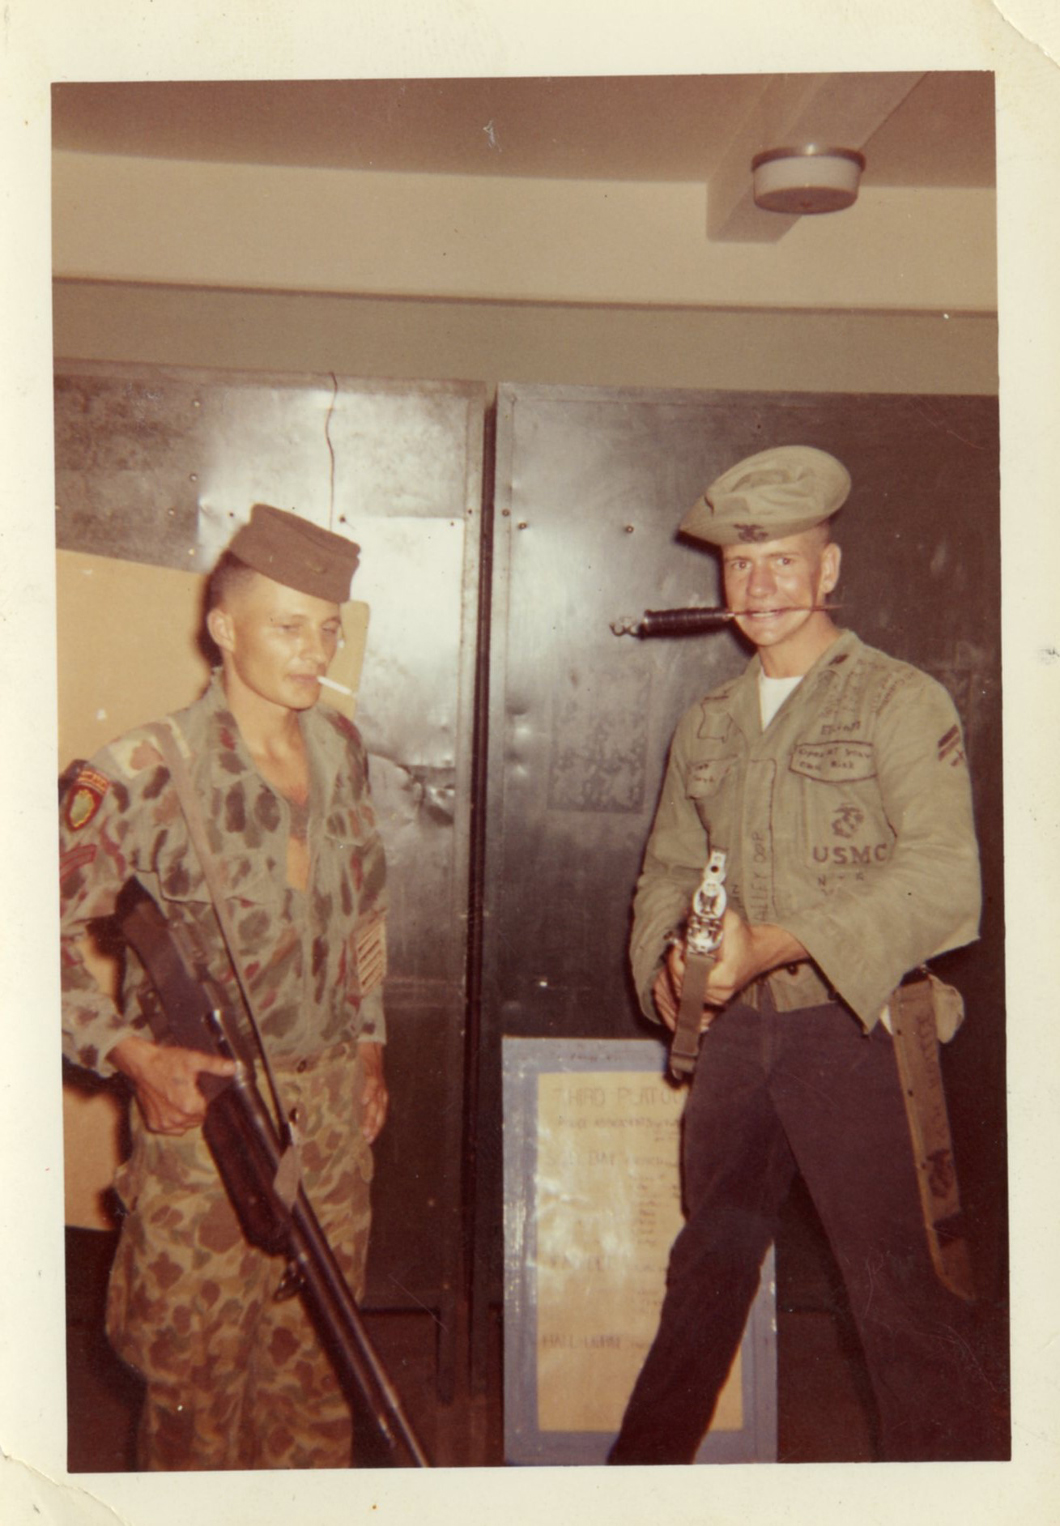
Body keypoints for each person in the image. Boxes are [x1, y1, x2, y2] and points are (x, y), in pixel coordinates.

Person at [609, 445, 1004, 1464]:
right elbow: (667, 870)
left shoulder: (899, 702)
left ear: (828, 569)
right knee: (702, 1283)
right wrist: (669, 970)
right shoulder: (707, 724)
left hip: (859, 1035)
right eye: (740, 566)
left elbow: (943, 882)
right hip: (737, 1044)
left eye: (782, 562)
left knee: (902, 1309)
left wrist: (777, 944)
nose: (759, 588)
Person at [60, 504, 389, 1470]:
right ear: (223, 626)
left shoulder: (341, 748)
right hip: (208, 1125)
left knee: (321, 1393)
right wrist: (129, 1055)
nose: (315, 650)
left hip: (331, 1124)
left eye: (328, 627)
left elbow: (364, 912)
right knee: (197, 1404)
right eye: (288, 626)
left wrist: (371, 1042)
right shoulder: (142, 770)